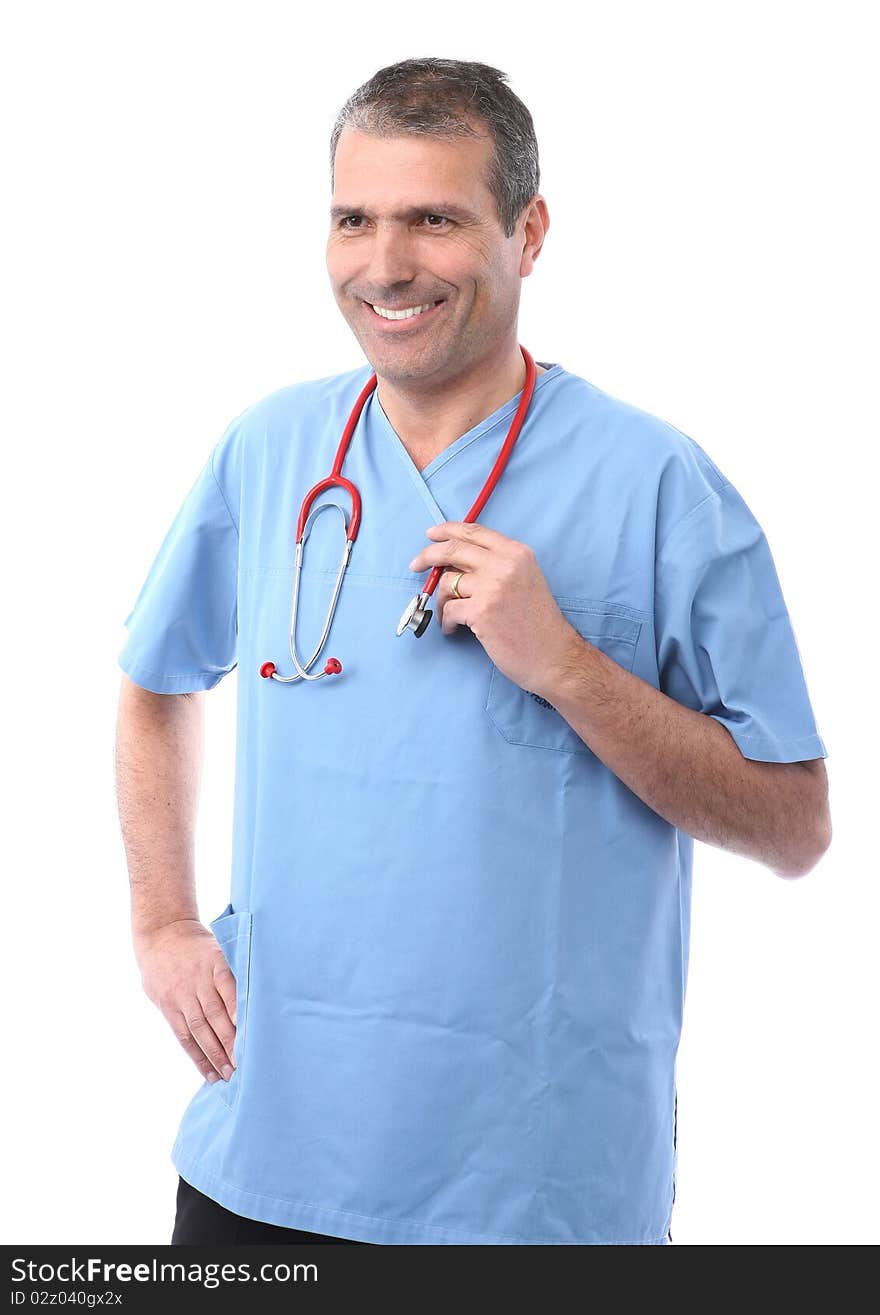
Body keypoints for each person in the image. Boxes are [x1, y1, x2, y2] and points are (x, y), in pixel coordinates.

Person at [115, 56, 831, 1247]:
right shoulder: (271, 447)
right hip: (267, 1164)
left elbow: (794, 826)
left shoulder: (654, 480)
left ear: (528, 230)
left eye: (433, 220)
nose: (384, 266)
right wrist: (162, 925)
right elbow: (154, 682)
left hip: (536, 1194)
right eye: (355, 221)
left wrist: (564, 665)